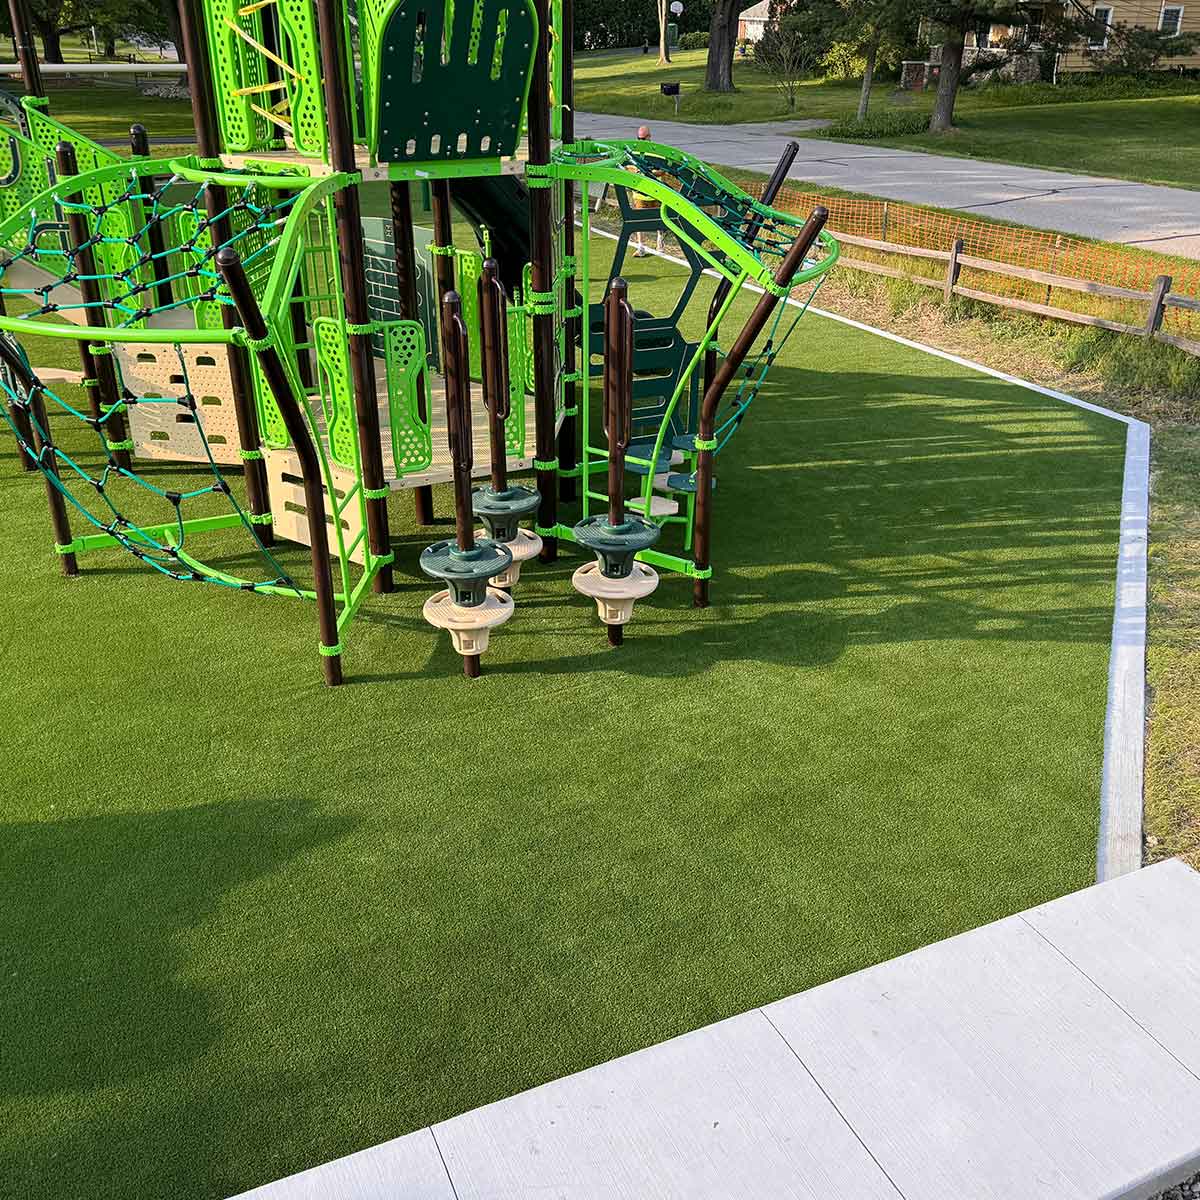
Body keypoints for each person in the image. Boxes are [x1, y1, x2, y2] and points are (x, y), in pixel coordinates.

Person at [631, 125, 664, 257]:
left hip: (656, 192)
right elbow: (630, 169)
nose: (641, 141)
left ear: (649, 137)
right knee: (640, 221)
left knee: (660, 219)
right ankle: (641, 247)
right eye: (639, 139)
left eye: (643, 138)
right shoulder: (634, 152)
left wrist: (651, 174)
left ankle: (660, 243)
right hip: (640, 194)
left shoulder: (656, 152)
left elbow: (662, 170)